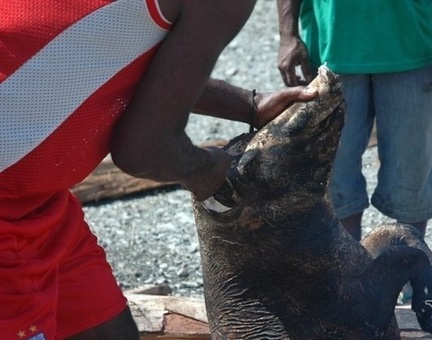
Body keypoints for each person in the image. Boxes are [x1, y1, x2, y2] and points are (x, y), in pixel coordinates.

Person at [1, 0, 317, 339]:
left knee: (109, 329)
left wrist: (249, 105)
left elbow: (112, 58)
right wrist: (211, 170)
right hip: (10, 206)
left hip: (35, 200)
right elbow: (144, 150)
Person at [277, 0, 432, 242]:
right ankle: (347, 270)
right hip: (330, 49)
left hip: (411, 44)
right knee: (333, 175)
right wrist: (287, 35)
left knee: (411, 173)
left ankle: (407, 267)